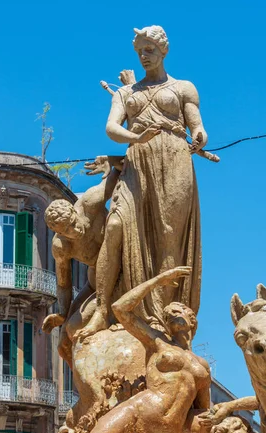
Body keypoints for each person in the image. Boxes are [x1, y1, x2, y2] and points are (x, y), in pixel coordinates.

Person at [0, 267, 213, 433]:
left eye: (180, 309)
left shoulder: (202, 368)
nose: (173, 313)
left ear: (193, 320)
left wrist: (203, 429)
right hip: (137, 412)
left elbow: (203, 413)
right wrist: (159, 280)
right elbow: (120, 308)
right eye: (169, 312)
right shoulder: (158, 342)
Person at [80, 25, 206, 340]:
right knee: (114, 227)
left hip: (174, 161)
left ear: (163, 50)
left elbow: (197, 125)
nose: (144, 56)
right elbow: (111, 127)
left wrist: (201, 136)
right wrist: (136, 137)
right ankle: (102, 310)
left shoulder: (183, 87)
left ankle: (163, 322)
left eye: (149, 50)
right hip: (138, 163)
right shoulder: (126, 93)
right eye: (140, 52)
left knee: (168, 240)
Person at [42, 156, 123, 365]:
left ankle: (103, 314)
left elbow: (120, 172)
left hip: (125, 267)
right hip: (97, 281)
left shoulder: (90, 202)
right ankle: (89, 392)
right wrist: (61, 313)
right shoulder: (61, 246)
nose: (73, 231)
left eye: (72, 223)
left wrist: (110, 163)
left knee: (114, 225)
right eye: (65, 231)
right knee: (67, 335)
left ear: (73, 211)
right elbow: (64, 284)